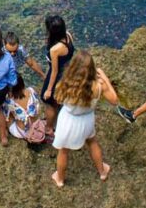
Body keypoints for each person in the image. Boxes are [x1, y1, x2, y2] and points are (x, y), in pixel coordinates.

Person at [51, 50, 119, 188]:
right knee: (92, 142)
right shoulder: (98, 86)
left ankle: (60, 179)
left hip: (68, 121)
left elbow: (57, 99)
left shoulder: (65, 83)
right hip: (86, 120)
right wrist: (105, 79)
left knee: (63, 151)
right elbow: (114, 100)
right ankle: (102, 172)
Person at [41, 15, 75, 129]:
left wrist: (49, 90)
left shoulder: (55, 50)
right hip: (66, 73)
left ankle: (49, 128)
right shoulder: (68, 35)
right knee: (58, 99)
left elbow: (54, 71)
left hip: (57, 75)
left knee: (49, 102)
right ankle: (58, 113)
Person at [3, 73, 43, 141]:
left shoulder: (9, 100)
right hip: (36, 126)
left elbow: (6, 116)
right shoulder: (31, 90)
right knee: (16, 110)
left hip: (21, 133)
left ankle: (4, 130)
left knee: (6, 112)